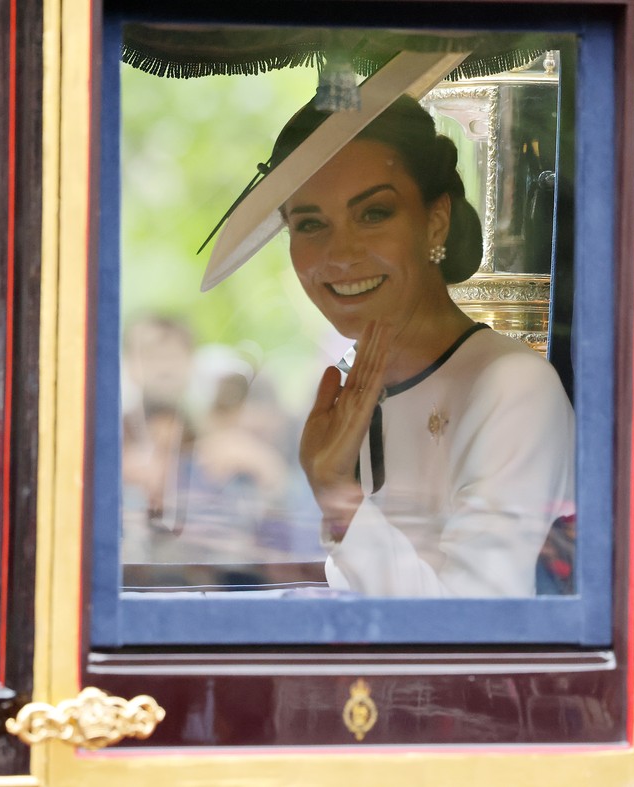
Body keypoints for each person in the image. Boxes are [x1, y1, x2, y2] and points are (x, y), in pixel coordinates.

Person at [207, 95, 575, 597]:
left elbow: (471, 632)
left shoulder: (511, 385)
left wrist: (337, 492)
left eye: (374, 213)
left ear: (435, 222)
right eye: (311, 224)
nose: (341, 254)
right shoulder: (357, 386)